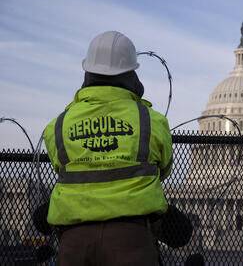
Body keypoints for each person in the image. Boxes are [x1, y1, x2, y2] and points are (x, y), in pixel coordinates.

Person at [43, 31, 173, 265]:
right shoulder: (151, 121)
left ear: (87, 73)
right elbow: (163, 170)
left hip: (74, 240)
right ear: (132, 74)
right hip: (132, 238)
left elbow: (61, 169)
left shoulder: (58, 125)